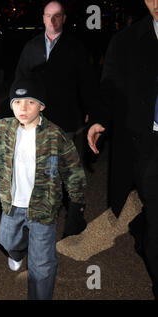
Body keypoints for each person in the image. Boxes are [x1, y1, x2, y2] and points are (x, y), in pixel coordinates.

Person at [0, 77, 86, 299]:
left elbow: (73, 170)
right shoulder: (3, 128)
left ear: (42, 106)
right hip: (12, 205)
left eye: (30, 102)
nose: (23, 108)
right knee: (5, 240)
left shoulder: (55, 135)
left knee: (42, 264)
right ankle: (17, 251)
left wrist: (77, 204)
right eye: (17, 102)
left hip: (42, 209)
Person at [87, 0, 158, 299]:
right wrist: (100, 118)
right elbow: (110, 86)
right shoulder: (126, 41)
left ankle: (141, 228)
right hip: (148, 142)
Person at [10, 0, 98, 237]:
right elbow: (20, 80)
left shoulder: (75, 48)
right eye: (48, 15)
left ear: (64, 19)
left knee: (67, 170)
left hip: (65, 120)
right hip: (37, 121)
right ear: (43, 18)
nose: (52, 20)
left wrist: (92, 111)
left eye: (57, 16)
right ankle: (37, 217)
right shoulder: (31, 47)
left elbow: (86, 83)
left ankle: (74, 218)